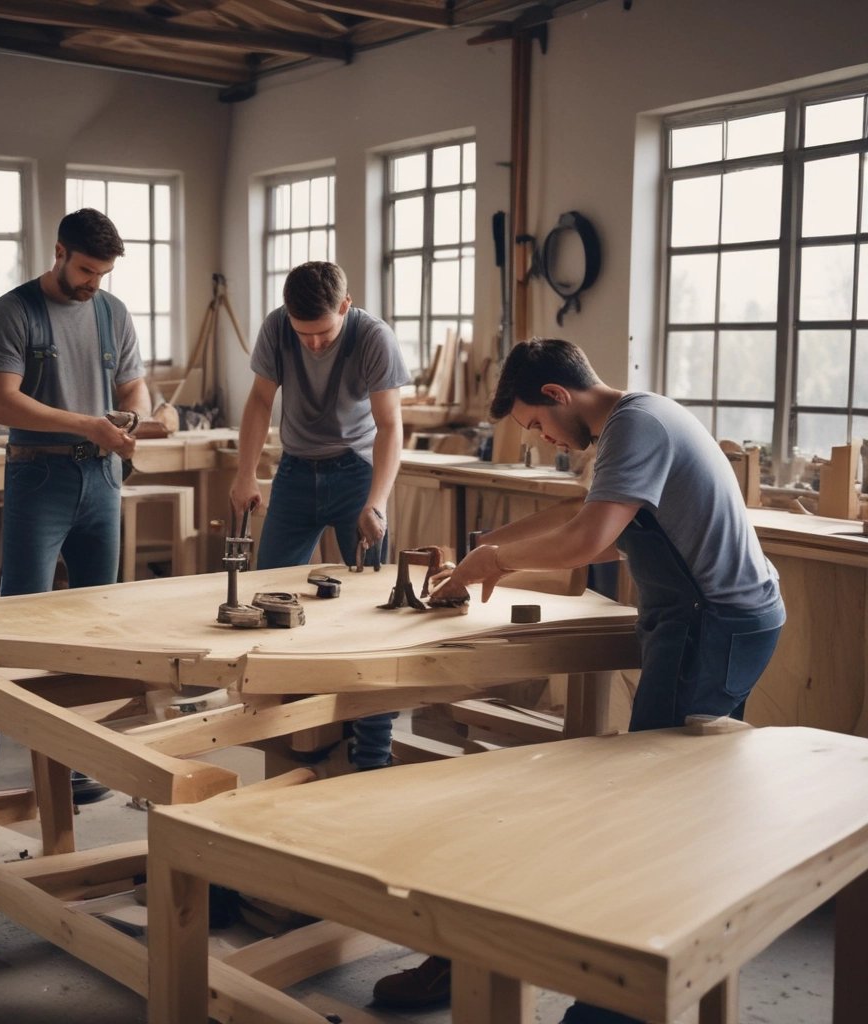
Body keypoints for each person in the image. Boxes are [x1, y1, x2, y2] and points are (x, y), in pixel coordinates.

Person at [372, 337, 785, 1021]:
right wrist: (485, 551)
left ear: (558, 396)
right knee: (670, 802)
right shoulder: (632, 422)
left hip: (714, 621)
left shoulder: (638, 425)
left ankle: (612, 1004)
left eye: (538, 425)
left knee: (650, 815)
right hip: (706, 616)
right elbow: (575, 515)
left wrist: (496, 560)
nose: (545, 440)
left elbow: (589, 541)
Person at [229, 261, 410, 770]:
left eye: (323, 333)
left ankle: (371, 750)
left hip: (357, 470)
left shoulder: (374, 339)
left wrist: (376, 502)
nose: (311, 345)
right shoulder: (276, 327)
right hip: (294, 472)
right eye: (301, 332)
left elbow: (390, 426)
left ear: (346, 308)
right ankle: (290, 736)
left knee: (375, 611)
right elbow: (261, 401)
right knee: (268, 597)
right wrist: (246, 474)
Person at [0, 207, 150, 598]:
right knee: (25, 606)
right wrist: (88, 425)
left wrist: (132, 419)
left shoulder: (114, 312)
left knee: (99, 604)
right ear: (60, 252)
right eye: (86, 271)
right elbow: (1, 404)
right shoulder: (13, 311)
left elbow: (135, 385)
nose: (94, 283)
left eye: (103, 274)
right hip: (39, 476)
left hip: (103, 477)